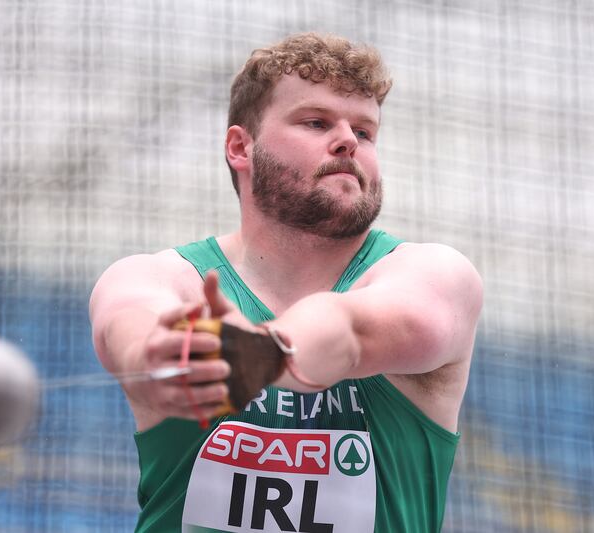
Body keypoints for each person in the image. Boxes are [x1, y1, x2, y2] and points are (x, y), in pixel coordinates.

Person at [90, 32, 482, 533]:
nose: (347, 141)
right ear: (240, 147)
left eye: (364, 132)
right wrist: (154, 355)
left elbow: (348, 329)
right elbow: (126, 325)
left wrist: (265, 350)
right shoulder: (163, 278)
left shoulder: (434, 275)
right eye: (316, 122)